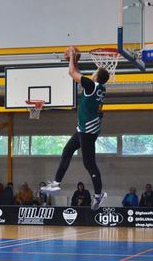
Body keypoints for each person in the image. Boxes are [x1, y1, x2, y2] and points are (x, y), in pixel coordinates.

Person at [41, 46, 110, 210]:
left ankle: (99, 195)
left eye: (94, 72)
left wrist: (72, 56)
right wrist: (75, 62)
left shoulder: (91, 85)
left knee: (89, 163)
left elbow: (72, 72)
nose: (92, 73)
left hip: (88, 130)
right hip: (85, 129)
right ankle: (56, 183)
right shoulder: (99, 88)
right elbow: (78, 75)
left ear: (96, 76)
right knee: (67, 151)